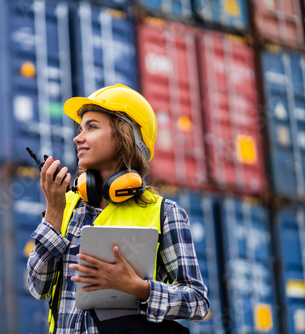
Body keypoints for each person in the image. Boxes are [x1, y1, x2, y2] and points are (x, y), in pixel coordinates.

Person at [27, 84, 210, 333]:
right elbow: (37, 287)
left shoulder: (165, 213)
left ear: (125, 136)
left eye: (91, 127)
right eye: (80, 128)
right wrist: (54, 211)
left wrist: (139, 288)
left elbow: (197, 303)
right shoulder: (65, 205)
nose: (77, 137)